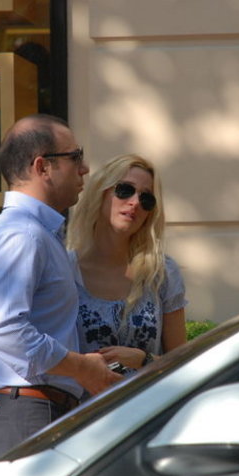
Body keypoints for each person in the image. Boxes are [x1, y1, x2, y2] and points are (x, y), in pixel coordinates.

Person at [0, 114, 122, 461]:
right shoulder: (22, 234)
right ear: (43, 167)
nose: (85, 169)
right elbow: (2, 328)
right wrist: (80, 367)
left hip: (33, 414)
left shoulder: (34, 233)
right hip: (26, 416)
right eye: (76, 157)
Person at [66, 154, 187, 371]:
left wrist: (143, 360)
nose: (135, 203)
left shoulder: (161, 273)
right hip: (83, 394)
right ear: (101, 193)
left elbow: (182, 365)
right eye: (125, 190)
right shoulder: (65, 270)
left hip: (148, 393)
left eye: (146, 199)